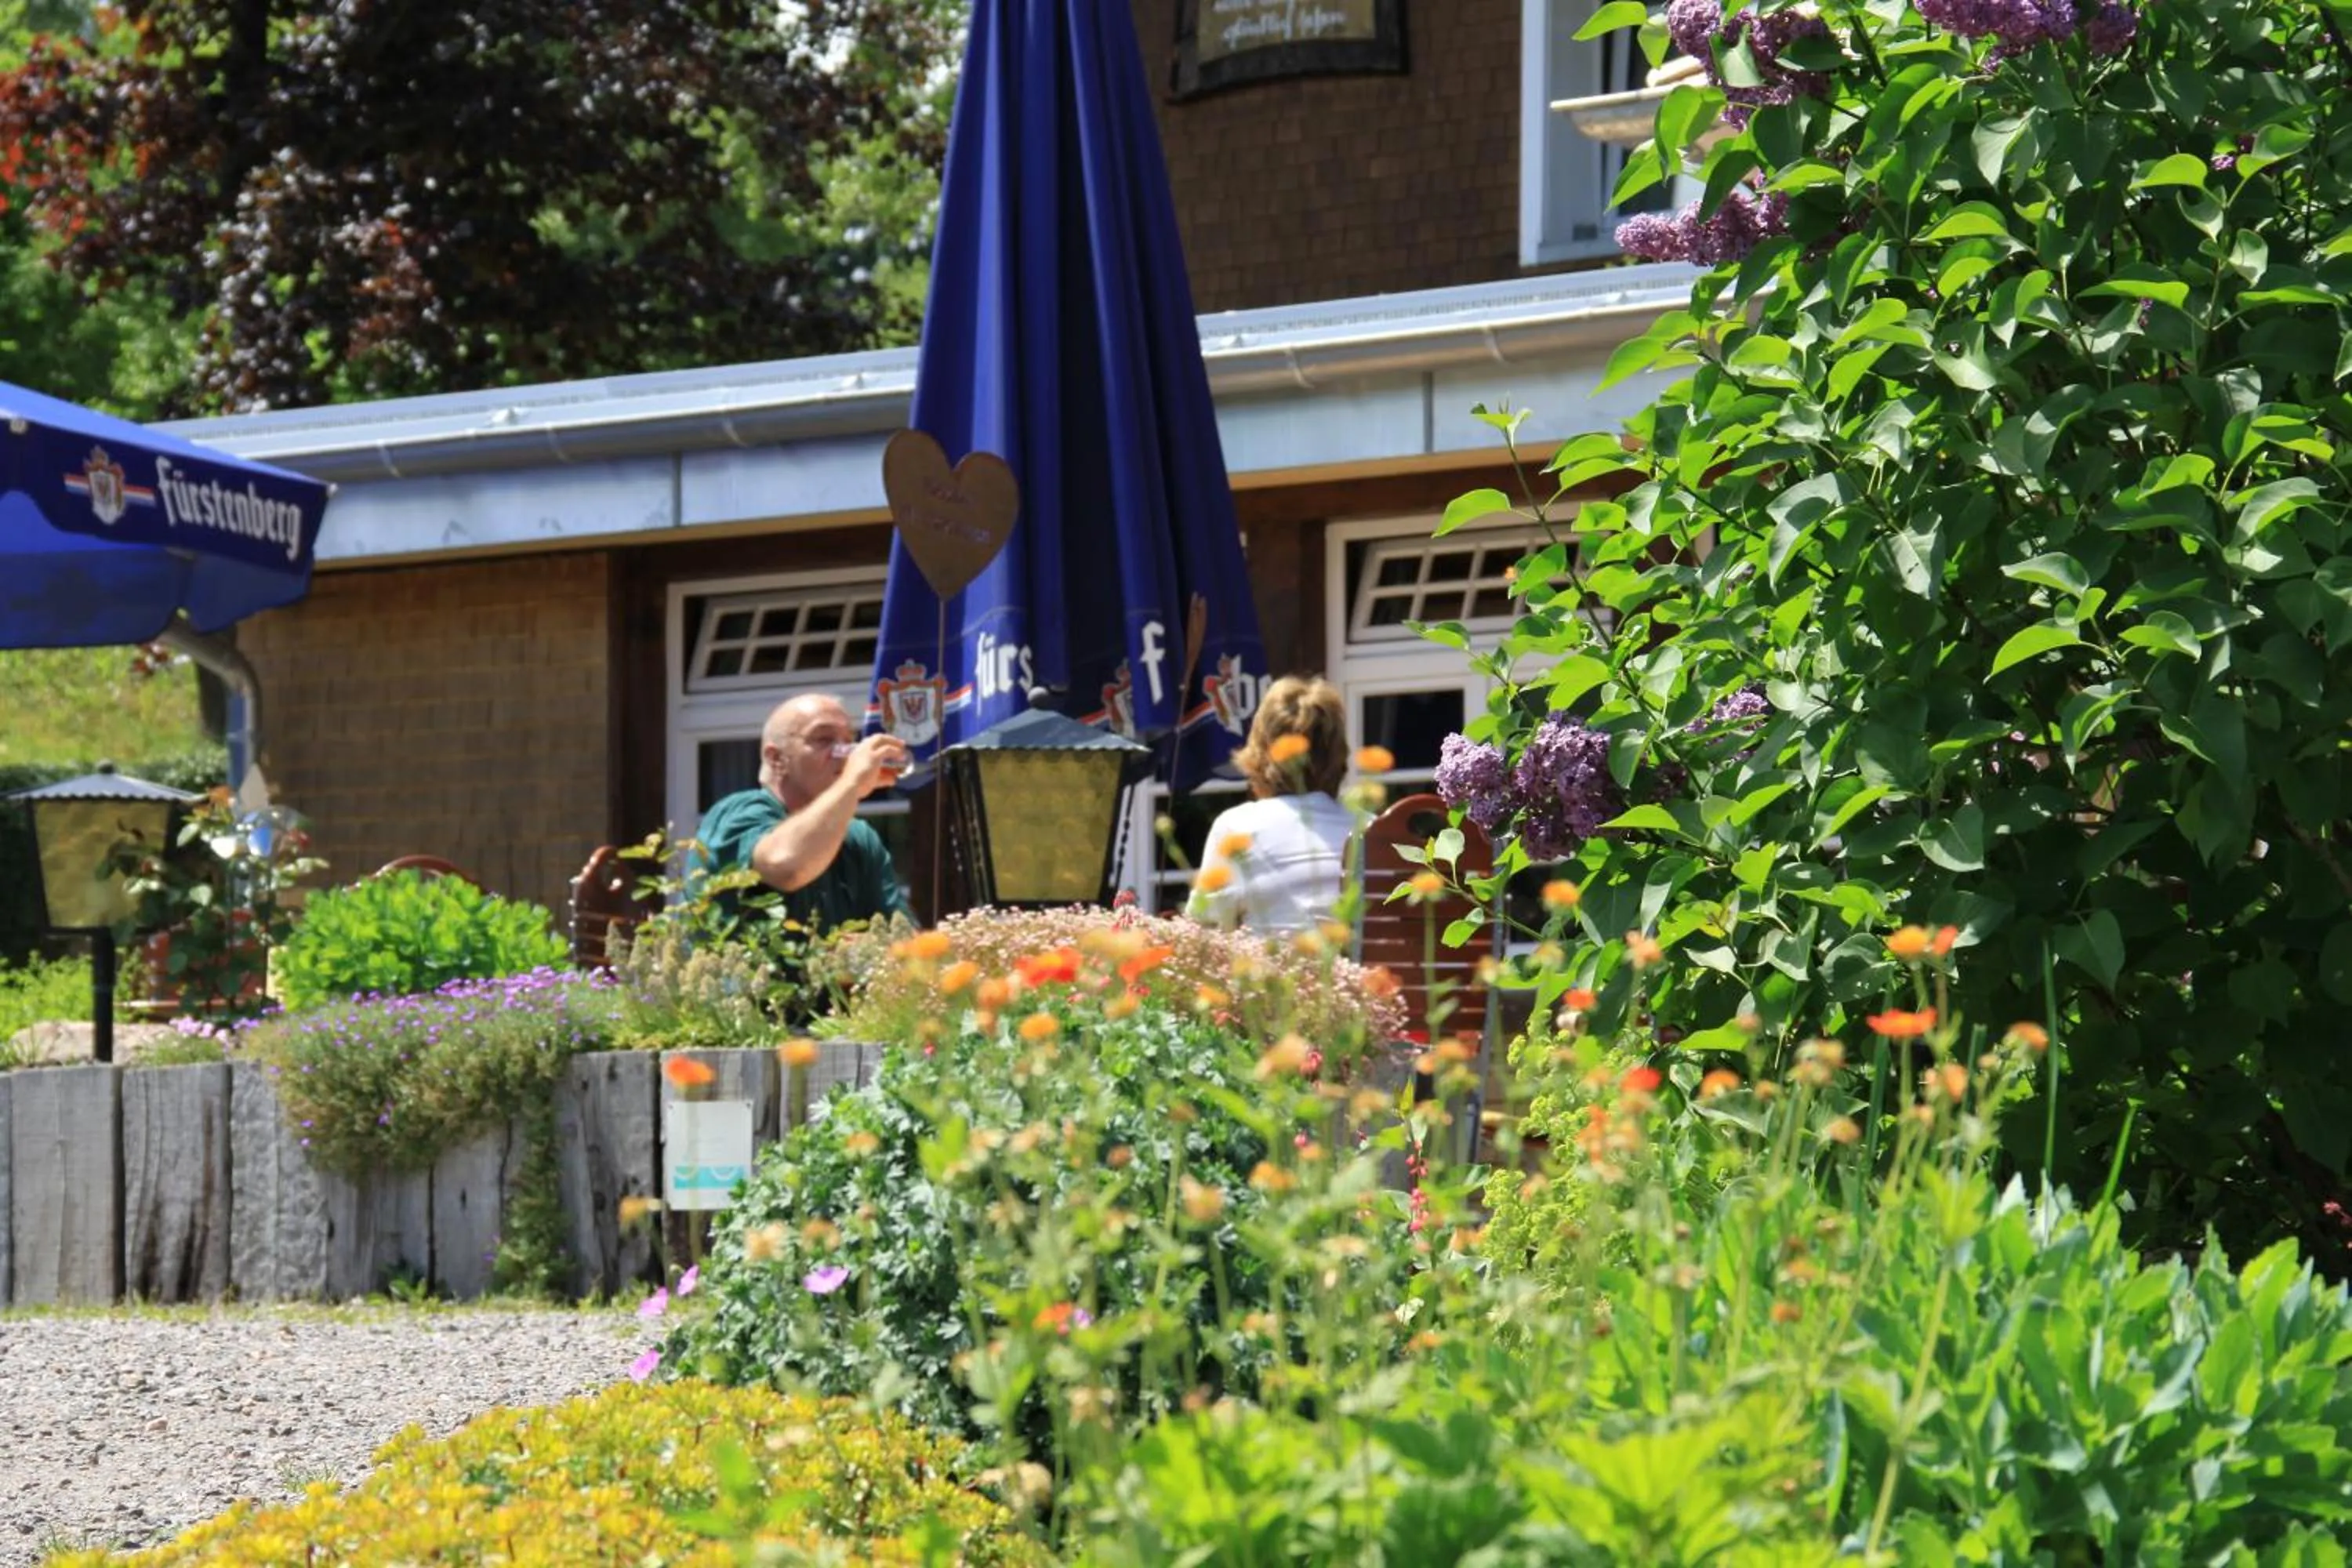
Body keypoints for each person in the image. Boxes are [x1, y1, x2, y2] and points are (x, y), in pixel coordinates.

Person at [691, 693, 913, 935]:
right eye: (825, 739)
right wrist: (852, 783)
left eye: (850, 740)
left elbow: (905, 940)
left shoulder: (859, 838)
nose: (846, 752)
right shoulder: (737, 813)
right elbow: (787, 867)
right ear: (776, 759)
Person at [1185, 674, 1358, 936]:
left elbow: (1201, 932)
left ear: (1261, 749)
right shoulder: (1370, 827)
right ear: (1337, 751)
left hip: (1269, 975)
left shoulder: (1237, 827)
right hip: (1358, 975)